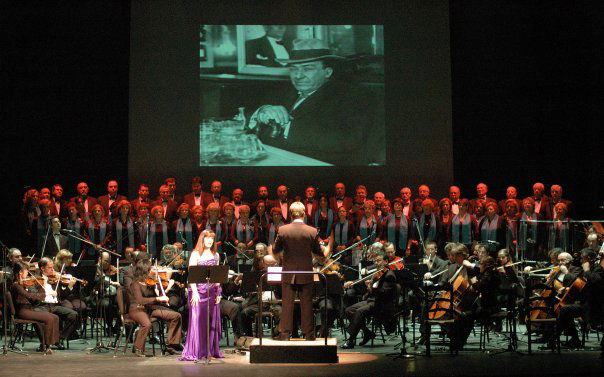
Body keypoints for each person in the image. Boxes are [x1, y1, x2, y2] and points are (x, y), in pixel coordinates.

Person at [248, 38, 382, 166]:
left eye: (307, 68)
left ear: (328, 72)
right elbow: (246, 120)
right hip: (270, 159)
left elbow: (347, 139)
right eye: (294, 69)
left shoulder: (353, 96)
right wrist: (261, 112)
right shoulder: (283, 91)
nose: (298, 75)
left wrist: (284, 124)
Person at [272, 202, 324, 341]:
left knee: (287, 304)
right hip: (306, 272)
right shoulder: (312, 231)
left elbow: (275, 250)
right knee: (306, 304)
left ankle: (285, 334)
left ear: (290, 214)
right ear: (304, 214)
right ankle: (309, 334)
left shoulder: (283, 230)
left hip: (288, 272)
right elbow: (318, 252)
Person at [179, 230, 224, 361]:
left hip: (212, 293)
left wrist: (219, 291)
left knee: (210, 323)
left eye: (212, 239)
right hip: (198, 292)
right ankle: (197, 351)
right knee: (198, 321)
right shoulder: (195, 254)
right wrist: (195, 292)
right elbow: (191, 276)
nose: (210, 241)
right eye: (207, 238)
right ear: (202, 240)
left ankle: (208, 351)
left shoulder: (216, 255)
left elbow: (217, 277)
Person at [341, 250, 397, 349]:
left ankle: (351, 340)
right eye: (375, 261)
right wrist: (351, 282)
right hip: (371, 301)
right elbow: (362, 282)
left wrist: (372, 288)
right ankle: (367, 333)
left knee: (359, 312)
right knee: (348, 310)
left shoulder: (389, 275)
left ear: (386, 261)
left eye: (379, 261)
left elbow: (384, 294)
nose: (376, 263)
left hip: (382, 304)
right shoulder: (377, 273)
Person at [128, 256, 182, 357]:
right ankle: (138, 348)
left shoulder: (150, 283)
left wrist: (163, 290)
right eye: (151, 269)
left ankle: (171, 344)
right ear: (145, 270)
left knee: (176, 316)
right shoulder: (135, 284)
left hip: (149, 309)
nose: (153, 270)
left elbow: (157, 297)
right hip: (137, 309)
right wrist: (157, 299)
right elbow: (140, 300)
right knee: (147, 324)